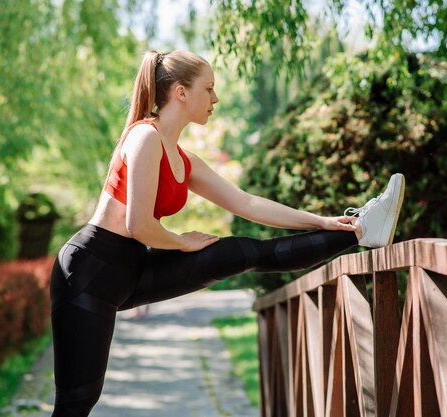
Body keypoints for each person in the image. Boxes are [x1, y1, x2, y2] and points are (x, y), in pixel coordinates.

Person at [49, 49, 405, 416]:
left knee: (242, 254)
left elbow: (248, 204)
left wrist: (322, 220)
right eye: (209, 88)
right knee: (77, 403)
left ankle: (360, 229)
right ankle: (361, 227)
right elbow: (136, 226)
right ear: (181, 92)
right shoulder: (144, 138)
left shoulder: (184, 159)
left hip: (133, 270)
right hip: (89, 272)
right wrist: (181, 242)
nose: (215, 99)